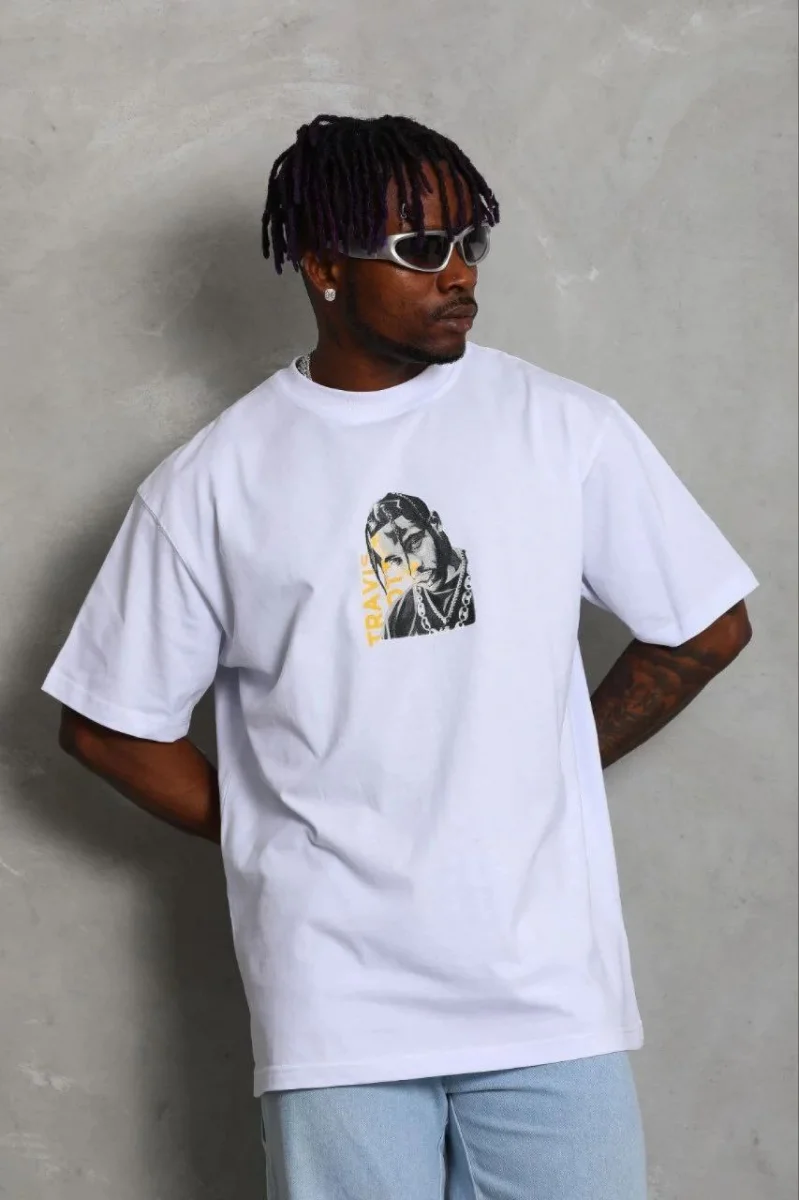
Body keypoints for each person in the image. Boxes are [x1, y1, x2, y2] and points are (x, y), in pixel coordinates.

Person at [43, 114, 758, 1199]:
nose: (458, 273)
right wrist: (277, 831)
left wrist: (553, 756)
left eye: (471, 242)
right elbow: (106, 724)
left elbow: (706, 627)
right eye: (422, 249)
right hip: (339, 1006)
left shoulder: (561, 428)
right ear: (324, 267)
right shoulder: (214, 482)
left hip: (544, 987)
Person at [365, 492, 476, 638]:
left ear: (435, 523)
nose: (414, 567)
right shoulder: (397, 620)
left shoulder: (485, 570)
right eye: (396, 561)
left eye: (414, 542)